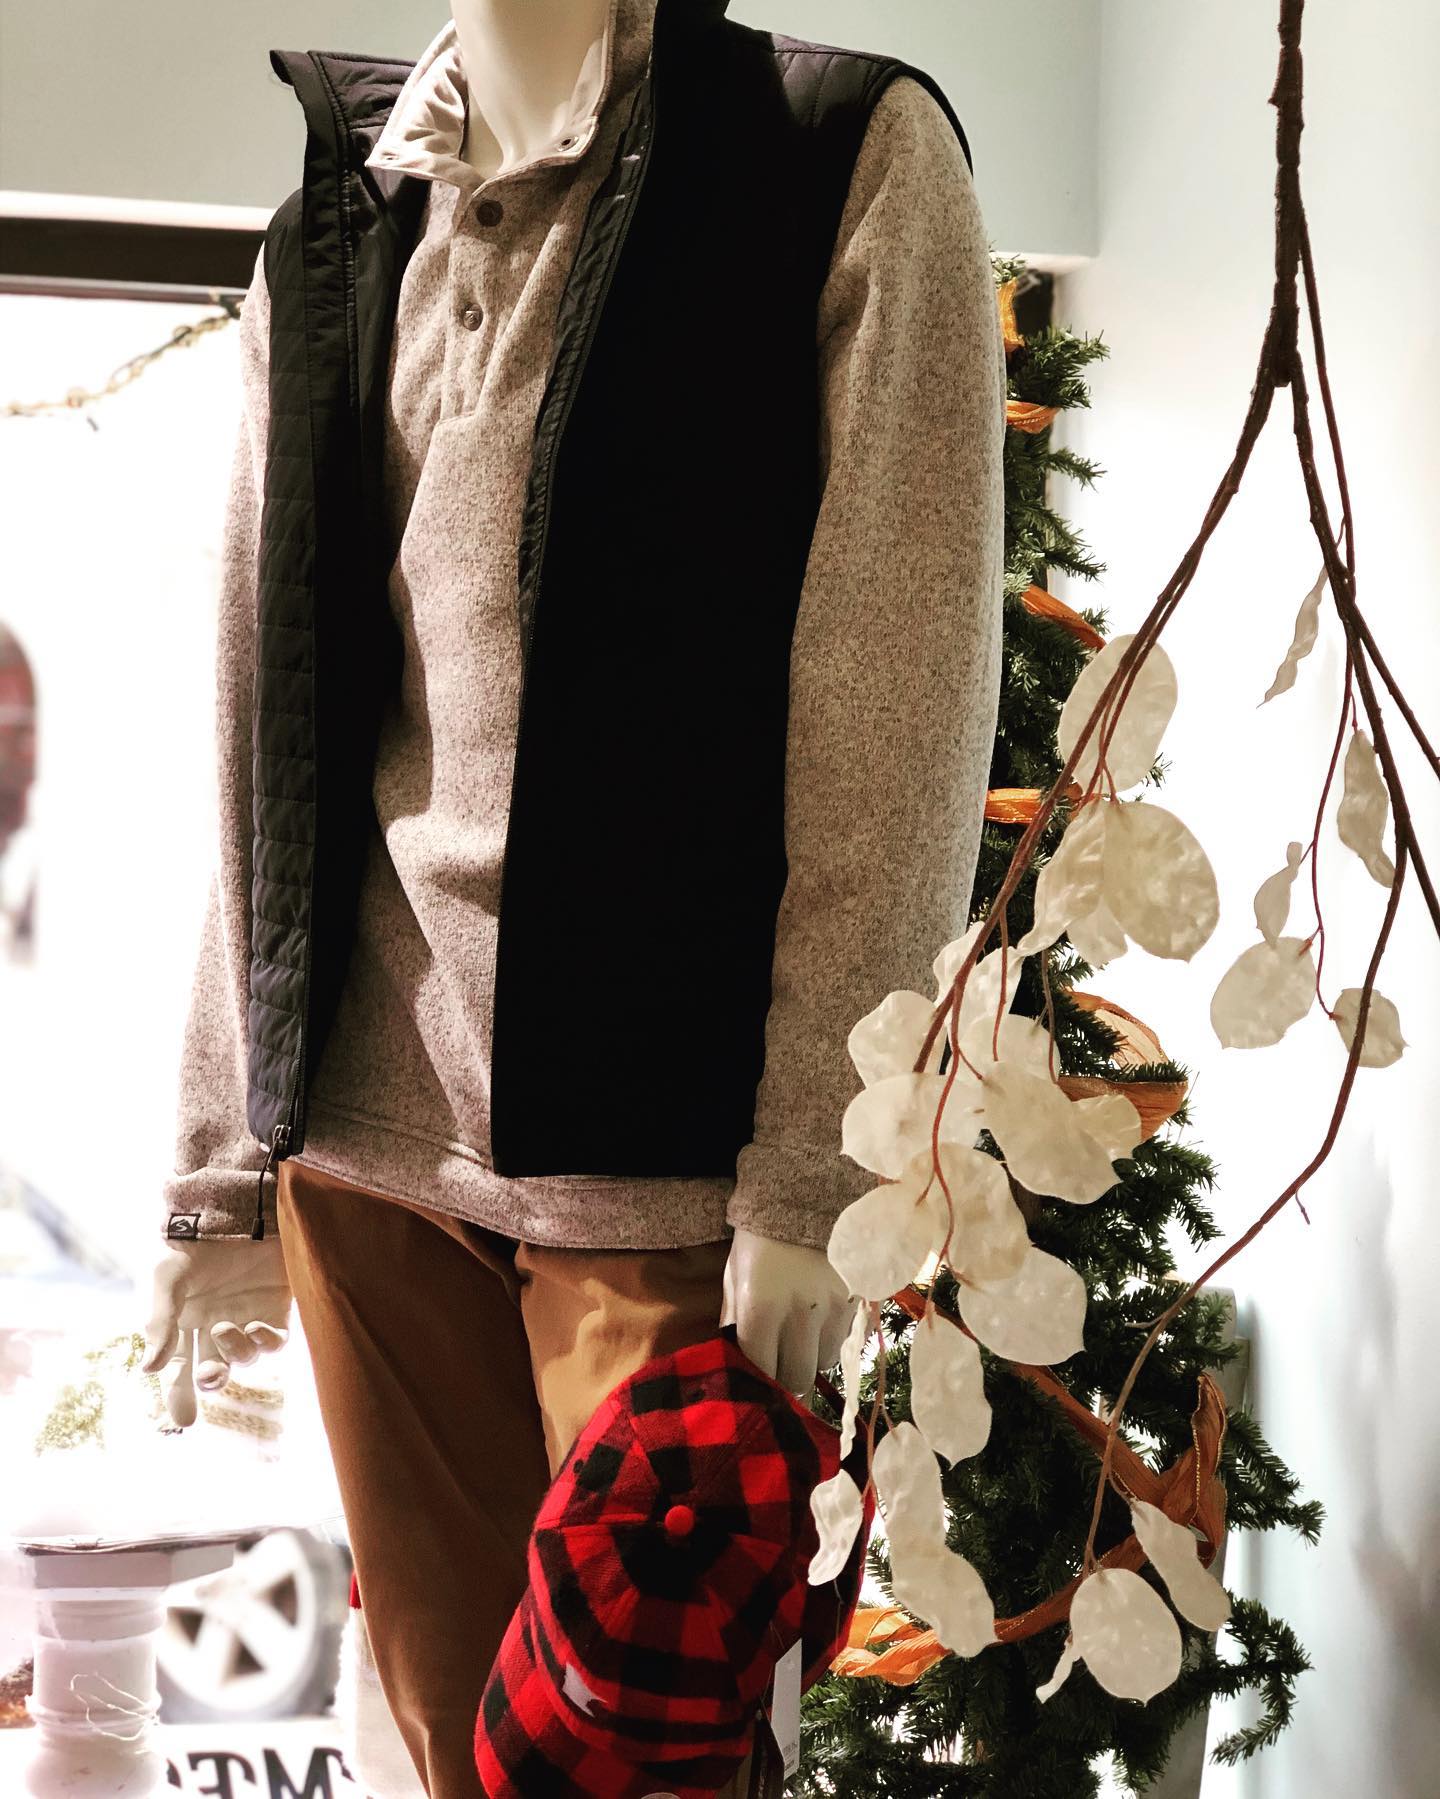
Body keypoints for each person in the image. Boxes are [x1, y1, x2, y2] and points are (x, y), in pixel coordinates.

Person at [143, 0, 1005, 1792]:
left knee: (648, 1766)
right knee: (452, 1753)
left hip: (658, 1174)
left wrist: (819, 1168)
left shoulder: (837, 158)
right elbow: (267, 714)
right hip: (365, 1152)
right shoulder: (337, 223)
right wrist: (224, 1157)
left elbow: (895, 711)